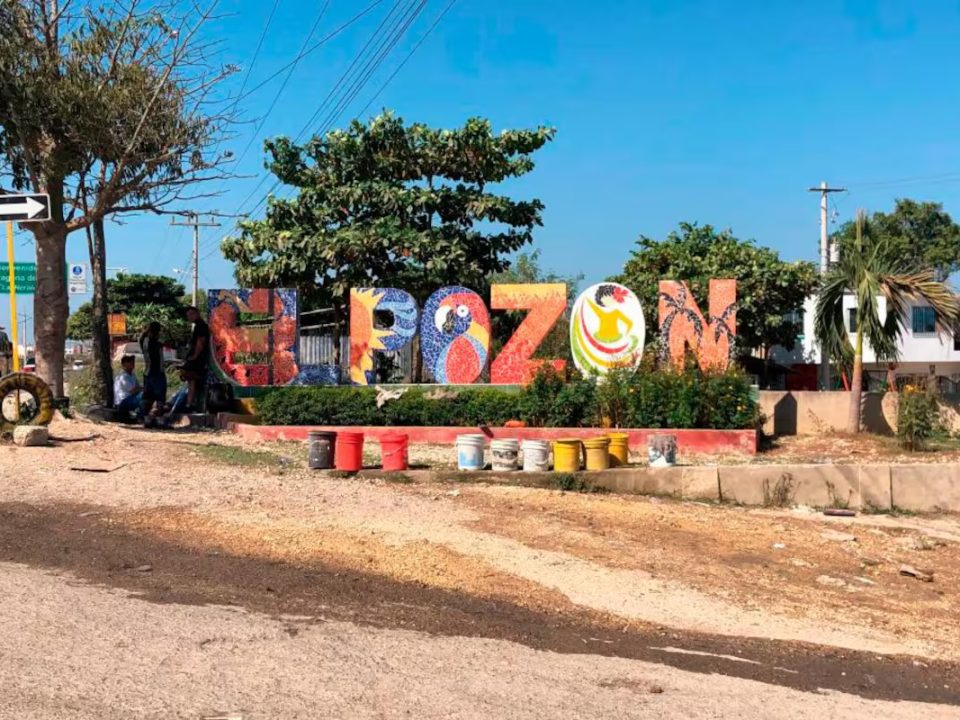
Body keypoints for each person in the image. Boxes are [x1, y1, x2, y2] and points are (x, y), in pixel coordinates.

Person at [180, 306, 210, 411]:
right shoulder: (197, 325)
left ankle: (189, 403)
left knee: (191, 378)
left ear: (197, 314)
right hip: (195, 358)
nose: (189, 317)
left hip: (197, 359)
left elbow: (201, 341)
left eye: (191, 314)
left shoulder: (201, 326)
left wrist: (195, 355)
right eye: (188, 315)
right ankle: (190, 402)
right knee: (191, 380)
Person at [139, 321, 167, 424]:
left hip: (147, 372)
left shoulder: (143, 340)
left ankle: (145, 417)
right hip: (157, 372)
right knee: (160, 396)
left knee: (147, 396)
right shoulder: (156, 342)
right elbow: (167, 342)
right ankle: (159, 418)